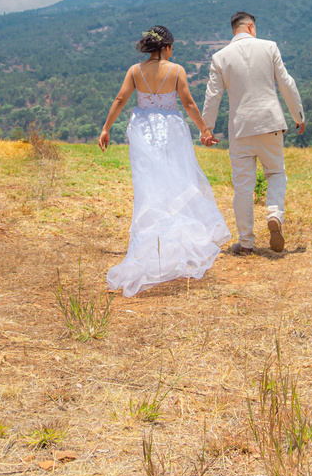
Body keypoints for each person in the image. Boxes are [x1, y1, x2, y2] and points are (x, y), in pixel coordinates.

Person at [98, 25, 230, 296]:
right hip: (171, 128)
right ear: (167, 46)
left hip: (143, 128)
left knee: (149, 184)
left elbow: (121, 98)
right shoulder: (176, 70)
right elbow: (189, 103)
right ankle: (176, 238)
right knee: (176, 179)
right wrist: (204, 129)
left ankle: (154, 238)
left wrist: (106, 128)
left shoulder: (135, 70)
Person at [202, 12, 305, 255]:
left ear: (234, 29)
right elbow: (286, 83)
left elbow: (212, 96)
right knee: (276, 172)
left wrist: (207, 129)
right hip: (270, 124)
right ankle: (274, 214)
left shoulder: (220, 57)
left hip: (240, 129)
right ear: (250, 27)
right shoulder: (269, 47)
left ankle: (246, 243)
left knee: (243, 188)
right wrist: (298, 115)